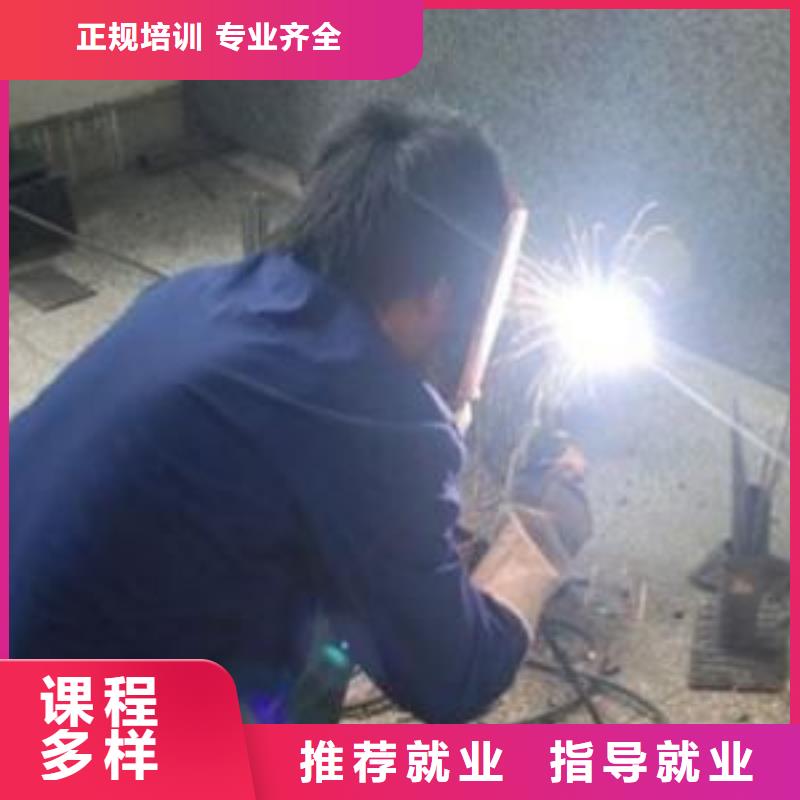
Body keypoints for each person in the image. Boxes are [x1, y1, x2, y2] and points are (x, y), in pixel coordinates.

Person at [11, 103, 575, 722]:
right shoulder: (374, 414)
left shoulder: (197, 292)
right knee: (325, 651)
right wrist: (537, 540)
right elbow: (455, 675)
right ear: (439, 294)